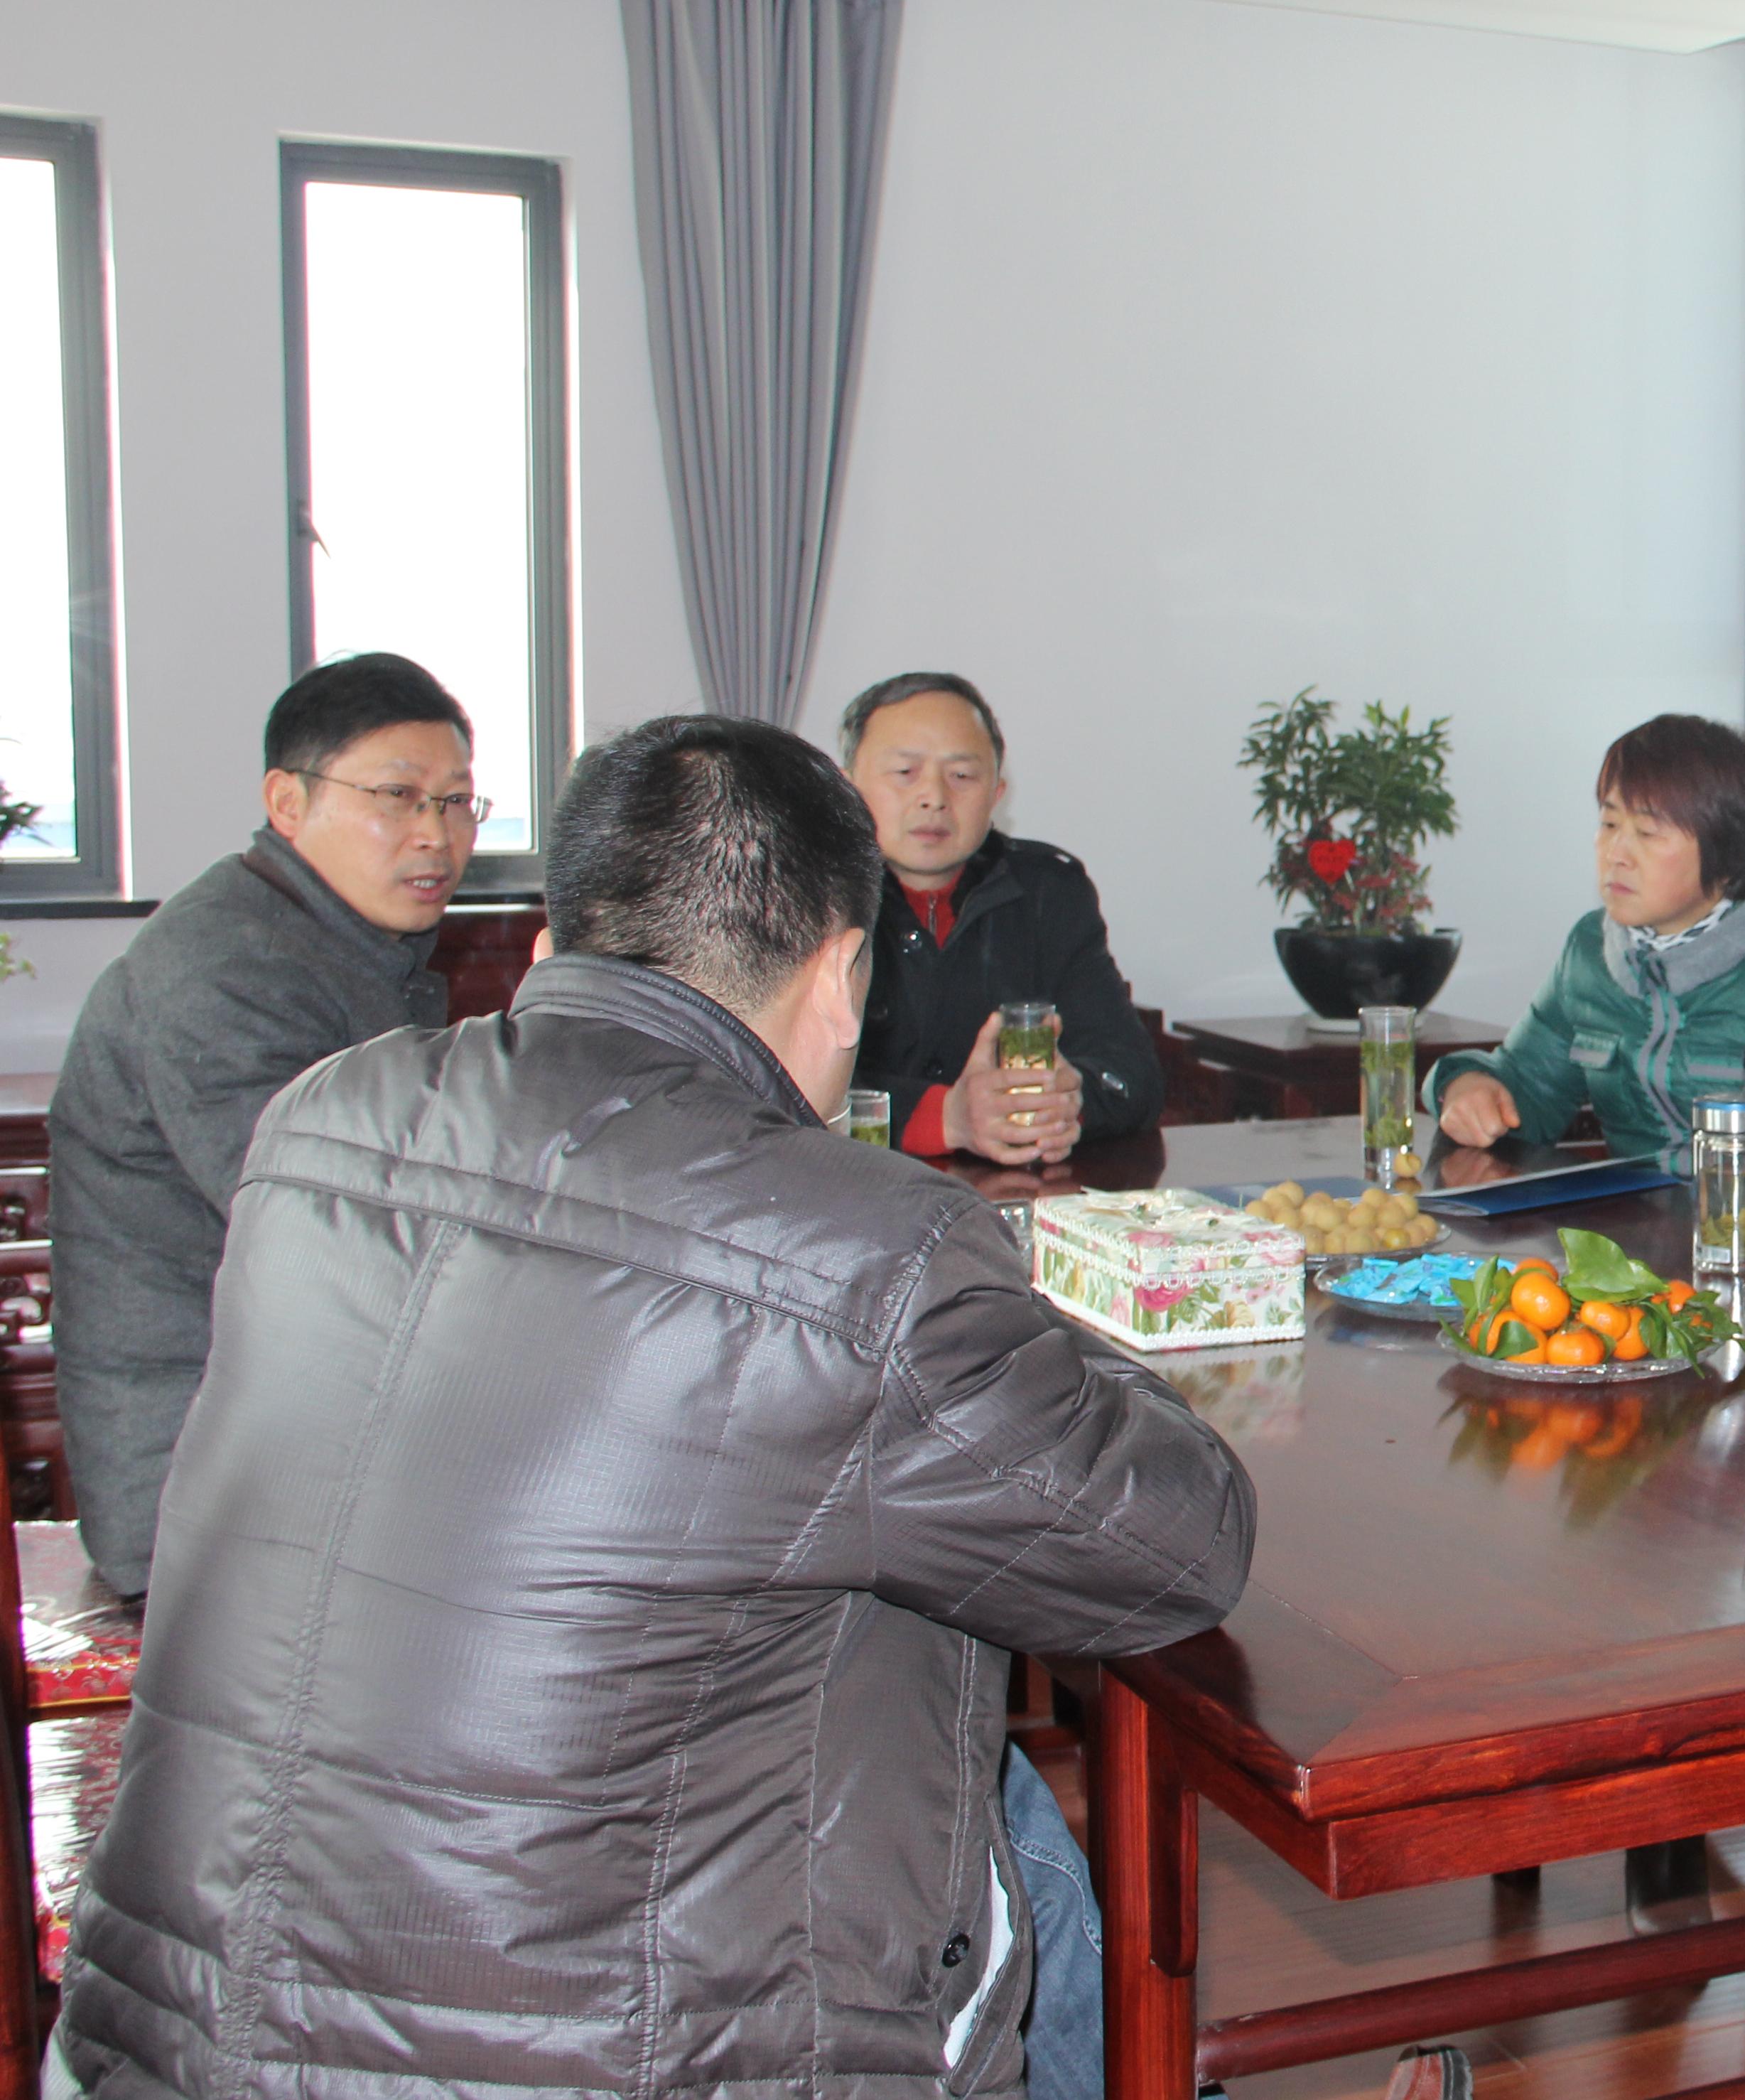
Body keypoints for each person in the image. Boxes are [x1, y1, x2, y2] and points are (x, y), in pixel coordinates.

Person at [52, 714, 1257, 2100]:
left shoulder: (322, 1119)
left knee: (983, 1785)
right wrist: (1040, 1313)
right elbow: (1179, 1541)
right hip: (587, 2064)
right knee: (963, 1770)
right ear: (839, 976)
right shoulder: (859, 1248)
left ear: (547, 947)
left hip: (157, 2040)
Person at [49, 652, 477, 1602]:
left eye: (456, 802)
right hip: (204, 1493)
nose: (435, 834)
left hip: (298, 1447)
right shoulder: (226, 968)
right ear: (288, 802)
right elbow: (336, 1236)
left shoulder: (334, 942)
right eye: (398, 796)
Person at [1428, 714, 1745, 1168]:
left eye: (1647, 833)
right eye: (1609, 824)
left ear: (1730, 853)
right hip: (1635, 1213)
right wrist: (1467, 1086)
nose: (1616, 854)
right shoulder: (1590, 951)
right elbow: (1527, 1087)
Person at [838, 672, 1162, 1163]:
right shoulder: (806, 899)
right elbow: (770, 1081)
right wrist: (944, 1118)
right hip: (857, 1193)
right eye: (905, 772)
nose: (934, 797)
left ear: (997, 794)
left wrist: (1069, 1101)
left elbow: (1131, 1076)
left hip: (1012, 1194)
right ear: (846, 789)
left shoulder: (1049, 893)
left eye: (962, 776)